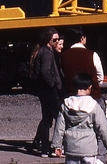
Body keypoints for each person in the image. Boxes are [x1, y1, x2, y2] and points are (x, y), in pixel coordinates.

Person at [51, 72, 107, 163]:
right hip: (88, 148)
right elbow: (103, 127)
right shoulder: (93, 105)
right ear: (90, 87)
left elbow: (59, 127)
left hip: (71, 147)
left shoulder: (66, 104)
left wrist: (57, 145)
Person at [30, 27, 62, 157]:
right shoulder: (47, 53)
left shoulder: (42, 51)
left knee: (46, 119)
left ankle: (44, 149)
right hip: (48, 90)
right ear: (49, 40)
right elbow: (45, 72)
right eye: (55, 39)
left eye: (58, 39)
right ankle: (56, 146)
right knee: (60, 117)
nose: (57, 41)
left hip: (42, 90)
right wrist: (52, 84)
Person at [60, 27, 103, 101]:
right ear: (82, 38)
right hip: (93, 96)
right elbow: (100, 76)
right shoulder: (92, 54)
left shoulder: (63, 56)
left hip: (71, 97)